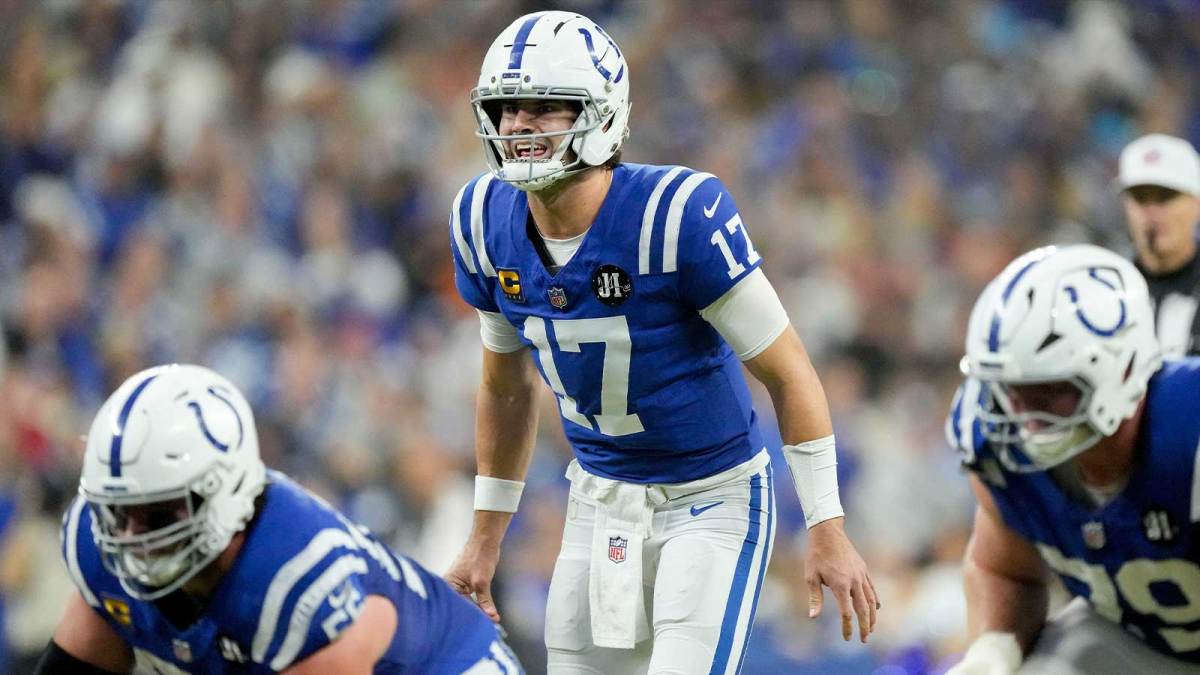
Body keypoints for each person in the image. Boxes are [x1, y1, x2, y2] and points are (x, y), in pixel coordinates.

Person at [444, 10, 877, 674]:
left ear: (603, 114)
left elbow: (788, 371)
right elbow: (505, 387)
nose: (518, 126)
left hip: (712, 497)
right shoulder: (484, 222)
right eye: (506, 108)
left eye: (544, 108)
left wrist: (827, 523)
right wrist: (484, 536)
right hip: (598, 501)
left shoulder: (675, 214)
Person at [35, 364, 523, 674]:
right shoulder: (98, 550)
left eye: (159, 514)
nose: (132, 538)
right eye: (119, 514)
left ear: (224, 494)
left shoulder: (298, 572)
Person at [945, 244, 1199, 674]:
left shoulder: (1188, 433)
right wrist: (992, 654)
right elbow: (1007, 572)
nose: (1025, 416)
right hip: (1138, 644)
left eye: (1050, 391)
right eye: (1013, 392)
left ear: (1122, 370)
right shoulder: (999, 449)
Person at [1117, 133, 1200, 358]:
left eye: (1166, 197)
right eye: (1140, 198)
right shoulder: (1107, 292)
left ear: (1197, 203)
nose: (1151, 213)